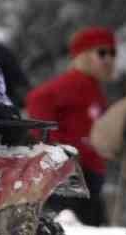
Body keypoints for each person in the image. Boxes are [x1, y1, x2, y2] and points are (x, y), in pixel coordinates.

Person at [25, 26, 118, 224]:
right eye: (102, 52)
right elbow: (37, 108)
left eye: (112, 53)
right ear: (82, 55)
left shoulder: (94, 88)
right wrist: (67, 152)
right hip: (70, 177)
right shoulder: (68, 86)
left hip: (88, 175)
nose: (109, 59)